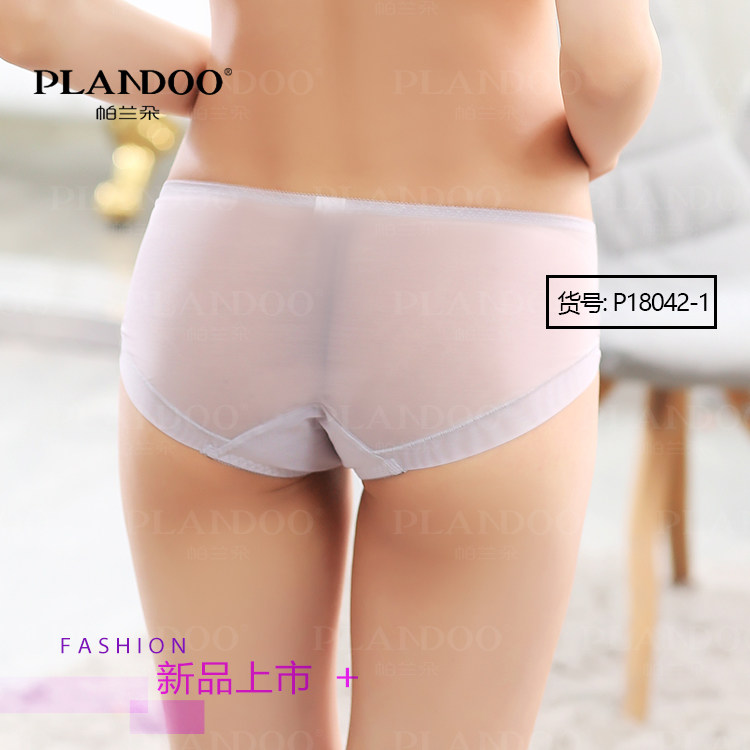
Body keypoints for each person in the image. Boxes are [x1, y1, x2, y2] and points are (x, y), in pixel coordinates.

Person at [2, 1, 661, 748]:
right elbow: (611, 72)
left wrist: (224, 83)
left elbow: (29, 20)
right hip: (480, 267)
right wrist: (596, 150)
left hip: (222, 261)